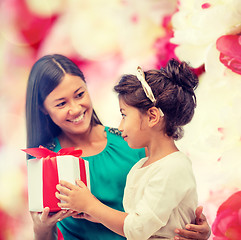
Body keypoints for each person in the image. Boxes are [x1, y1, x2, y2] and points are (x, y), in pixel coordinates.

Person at [25, 54, 211, 240]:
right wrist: (40, 229)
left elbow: (170, 199)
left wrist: (195, 228)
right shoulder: (46, 162)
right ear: (43, 109)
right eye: (61, 103)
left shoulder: (133, 141)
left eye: (80, 94)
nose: (75, 109)